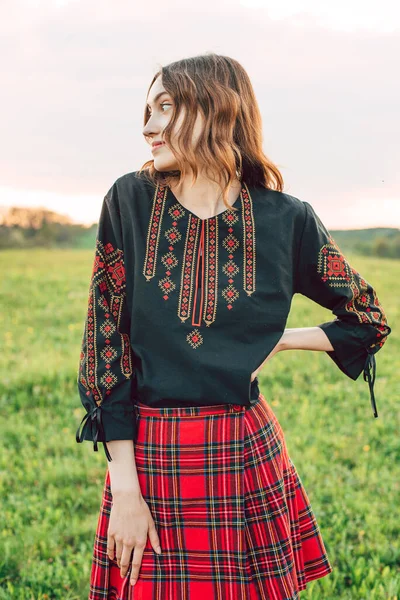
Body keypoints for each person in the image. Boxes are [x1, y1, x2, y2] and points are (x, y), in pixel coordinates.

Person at [75, 53, 392, 600]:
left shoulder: (286, 218)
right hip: (150, 454)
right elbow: (107, 345)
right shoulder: (128, 200)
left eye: (165, 107)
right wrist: (124, 483)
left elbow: (367, 319)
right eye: (146, 110)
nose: (147, 126)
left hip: (243, 452)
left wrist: (286, 340)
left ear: (216, 110)